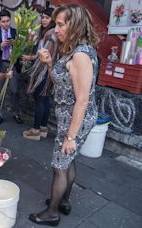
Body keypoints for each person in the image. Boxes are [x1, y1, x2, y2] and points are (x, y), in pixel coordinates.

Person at [28, 4, 99, 226]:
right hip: (69, 115)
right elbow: (62, 82)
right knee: (68, 160)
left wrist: (70, 137)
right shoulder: (74, 50)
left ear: (74, 24)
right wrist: (50, 64)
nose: (56, 29)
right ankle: (64, 201)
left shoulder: (80, 55)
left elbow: (83, 99)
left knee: (60, 164)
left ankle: (52, 212)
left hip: (75, 117)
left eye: (60, 24)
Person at [22, 7, 57, 140]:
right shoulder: (51, 32)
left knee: (40, 99)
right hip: (49, 70)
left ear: (53, 19)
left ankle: (35, 130)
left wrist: (31, 58)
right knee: (45, 99)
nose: (43, 20)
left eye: (47, 17)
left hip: (44, 70)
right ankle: (43, 128)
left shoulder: (51, 34)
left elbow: (44, 54)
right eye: (42, 17)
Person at [0, 9, 23, 125]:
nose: (6, 24)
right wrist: (0, 46)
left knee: (14, 90)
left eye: (8, 21)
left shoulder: (15, 32)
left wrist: (16, 45)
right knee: (0, 90)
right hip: (0, 64)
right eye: (3, 22)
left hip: (12, 63)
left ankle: (16, 113)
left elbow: (22, 48)